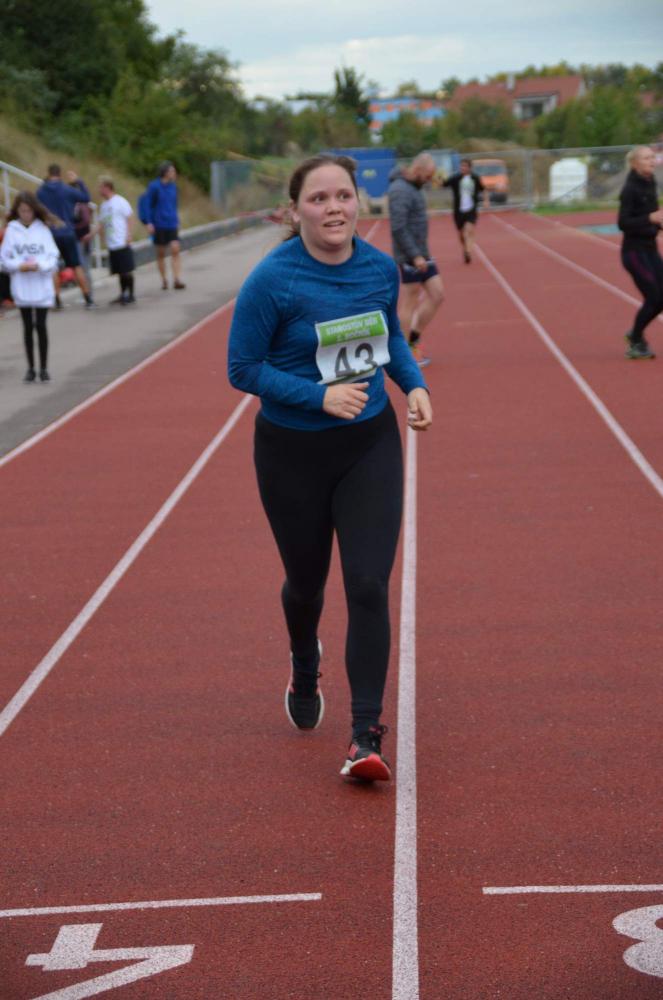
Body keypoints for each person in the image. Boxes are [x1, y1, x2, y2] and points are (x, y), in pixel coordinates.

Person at [228, 154, 432, 783]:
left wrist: (413, 384)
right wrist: (318, 397)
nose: (334, 208)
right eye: (319, 199)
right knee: (306, 584)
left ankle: (364, 735)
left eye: (343, 195)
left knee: (368, 584)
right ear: (296, 211)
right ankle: (303, 660)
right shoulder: (273, 280)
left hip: (368, 443)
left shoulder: (378, 268)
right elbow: (243, 368)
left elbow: (388, 338)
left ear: (357, 202)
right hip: (292, 453)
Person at [387, 152, 444, 367]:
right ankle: (403, 353)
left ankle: (413, 337)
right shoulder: (400, 190)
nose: (429, 180)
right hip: (410, 254)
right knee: (410, 300)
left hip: (421, 252)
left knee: (437, 294)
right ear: (417, 170)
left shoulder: (414, 186)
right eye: (427, 176)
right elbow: (398, 227)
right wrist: (414, 255)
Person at [0, 191, 59, 382]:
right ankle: (31, 368)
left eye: (29, 211)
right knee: (27, 327)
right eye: (22, 211)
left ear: (34, 210)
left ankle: (44, 368)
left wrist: (39, 265)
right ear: (17, 211)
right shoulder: (12, 230)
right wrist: (19, 266)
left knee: (40, 326)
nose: (26, 214)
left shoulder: (43, 229)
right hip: (22, 285)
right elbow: (4, 259)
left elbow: (53, 257)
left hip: (41, 284)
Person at [618, 145, 663, 360]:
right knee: (654, 297)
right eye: (646, 158)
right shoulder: (630, 189)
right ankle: (635, 340)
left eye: (652, 157)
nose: (651, 161)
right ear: (634, 163)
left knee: (661, 298)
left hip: (651, 249)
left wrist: (658, 223)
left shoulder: (650, 182)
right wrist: (650, 219)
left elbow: (652, 215)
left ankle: (635, 334)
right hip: (634, 253)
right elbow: (623, 223)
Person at [36, 164, 95, 309]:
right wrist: (78, 181)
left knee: (54, 267)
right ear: (60, 174)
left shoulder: (41, 191)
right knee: (76, 266)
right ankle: (88, 298)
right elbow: (86, 198)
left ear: (48, 173)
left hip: (50, 234)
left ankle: (56, 300)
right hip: (68, 232)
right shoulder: (67, 189)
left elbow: (37, 210)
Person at [92, 176, 136, 305]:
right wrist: (96, 235)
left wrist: (128, 234)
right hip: (112, 243)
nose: (99, 190)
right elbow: (102, 223)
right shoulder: (104, 205)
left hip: (122, 240)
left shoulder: (120, 201)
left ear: (107, 188)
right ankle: (123, 294)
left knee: (126, 270)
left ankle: (131, 294)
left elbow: (130, 217)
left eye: (101, 187)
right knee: (119, 271)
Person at [143, 161, 185, 291]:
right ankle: (164, 280)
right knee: (161, 253)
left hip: (171, 223)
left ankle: (177, 279)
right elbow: (147, 205)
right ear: (165, 172)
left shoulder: (173, 187)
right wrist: (148, 222)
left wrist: (177, 220)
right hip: (159, 224)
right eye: (172, 171)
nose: (174, 173)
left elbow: (174, 205)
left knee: (175, 249)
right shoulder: (154, 186)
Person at [443, 158, 487, 263]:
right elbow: (444, 184)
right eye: (461, 166)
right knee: (461, 235)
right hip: (458, 211)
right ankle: (465, 247)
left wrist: (486, 200)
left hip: (471, 209)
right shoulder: (456, 178)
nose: (463, 168)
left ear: (470, 168)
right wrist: (437, 178)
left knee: (469, 230)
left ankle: (468, 252)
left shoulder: (475, 178)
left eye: (465, 166)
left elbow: (483, 189)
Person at [66, 169, 94, 296]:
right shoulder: (72, 205)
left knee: (84, 267)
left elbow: (86, 221)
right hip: (77, 238)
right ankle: (86, 293)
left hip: (83, 238)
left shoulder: (82, 204)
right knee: (80, 267)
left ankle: (89, 294)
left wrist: (78, 180)